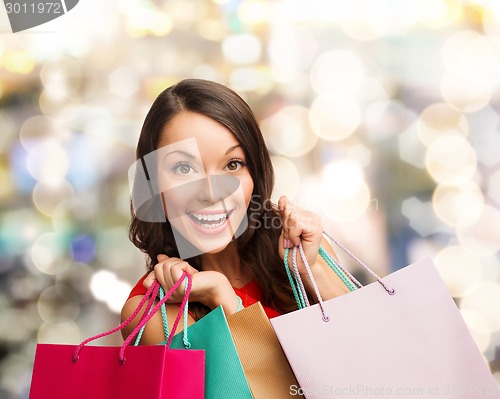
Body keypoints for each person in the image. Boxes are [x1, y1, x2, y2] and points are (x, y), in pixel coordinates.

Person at [121, 79, 350, 344]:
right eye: (184, 168)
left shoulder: (302, 250)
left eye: (232, 164)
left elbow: (374, 349)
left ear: (255, 173)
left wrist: (313, 271)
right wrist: (224, 298)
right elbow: (277, 385)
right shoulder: (153, 313)